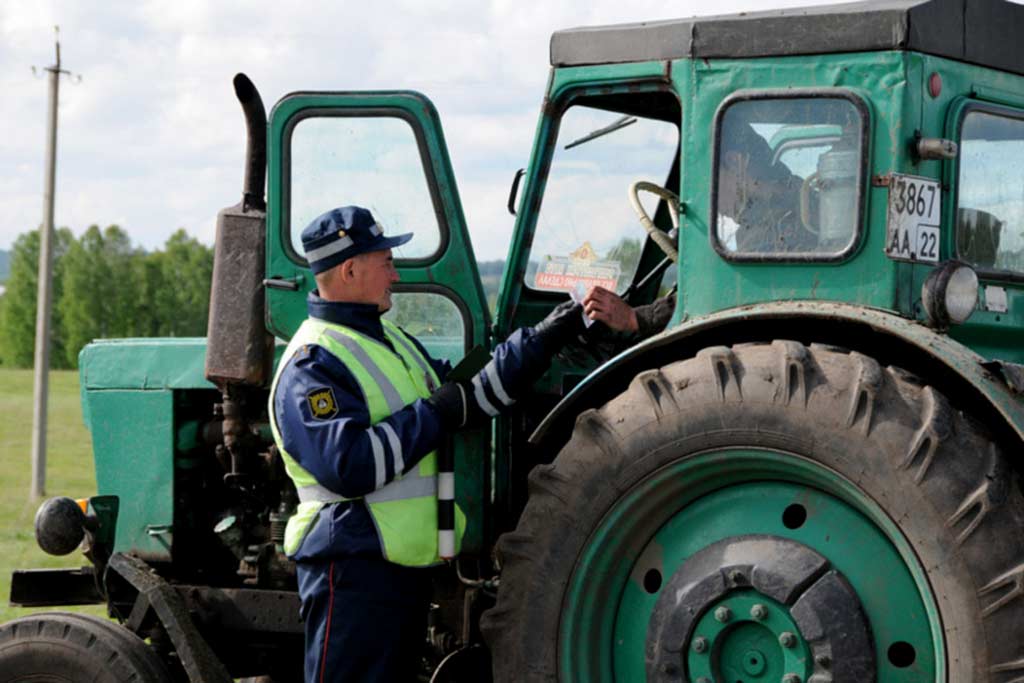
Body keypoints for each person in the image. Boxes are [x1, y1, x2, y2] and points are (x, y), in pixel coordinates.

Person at [268, 205, 582, 683]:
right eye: (385, 260)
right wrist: (435, 414)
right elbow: (348, 466)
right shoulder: (313, 363)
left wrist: (543, 339)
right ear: (350, 270)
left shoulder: (390, 340)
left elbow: (469, 395)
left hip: (394, 570)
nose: (395, 272)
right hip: (353, 572)